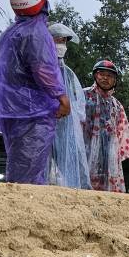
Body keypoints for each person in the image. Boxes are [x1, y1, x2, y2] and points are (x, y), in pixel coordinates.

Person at [0, 0, 71, 185]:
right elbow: (43, 69)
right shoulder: (36, 33)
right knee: (29, 168)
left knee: (19, 161)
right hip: (34, 111)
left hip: (14, 110)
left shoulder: (9, 34)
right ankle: (26, 209)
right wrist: (62, 98)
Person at [47, 23, 90, 189]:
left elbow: (79, 104)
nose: (61, 45)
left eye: (64, 41)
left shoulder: (68, 73)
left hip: (66, 126)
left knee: (75, 164)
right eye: (58, 39)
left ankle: (83, 198)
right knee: (42, 166)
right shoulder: (39, 67)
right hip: (43, 123)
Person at [84, 59, 129, 192]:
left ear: (115, 80)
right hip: (85, 150)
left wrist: (115, 154)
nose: (105, 78)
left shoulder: (116, 105)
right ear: (95, 75)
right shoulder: (83, 95)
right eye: (101, 74)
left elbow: (123, 132)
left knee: (107, 189)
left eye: (110, 76)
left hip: (109, 154)